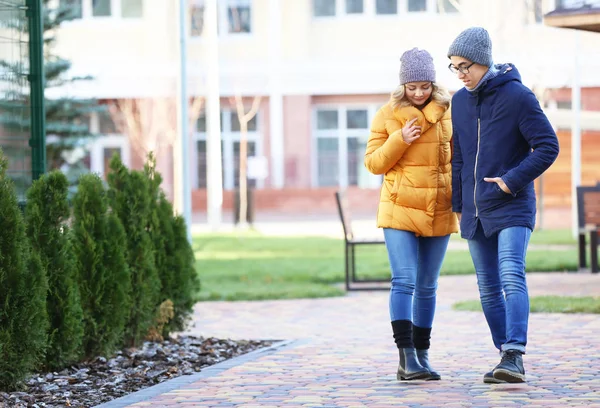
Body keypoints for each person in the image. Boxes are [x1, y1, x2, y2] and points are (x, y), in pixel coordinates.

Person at [447, 27, 559, 384]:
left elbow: (547, 146)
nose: (461, 73)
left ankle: (514, 352)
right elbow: (459, 156)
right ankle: (505, 357)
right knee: (486, 286)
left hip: (512, 204)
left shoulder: (518, 97)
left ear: (483, 61)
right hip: (476, 210)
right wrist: (459, 203)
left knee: (511, 273)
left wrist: (511, 179)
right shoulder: (459, 102)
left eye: (466, 66)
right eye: (454, 67)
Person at [364, 48, 458, 381]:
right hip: (399, 208)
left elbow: (457, 158)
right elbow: (374, 163)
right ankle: (405, 358)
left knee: (428, 286)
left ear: (433, 83)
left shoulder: (449, 111)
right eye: (412, 87)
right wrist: (398, 139)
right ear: (402, 85)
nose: (418, 93)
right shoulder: (387, 114)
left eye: (424, 86)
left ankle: (422, 355)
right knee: (404, 281)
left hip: (439, 208)